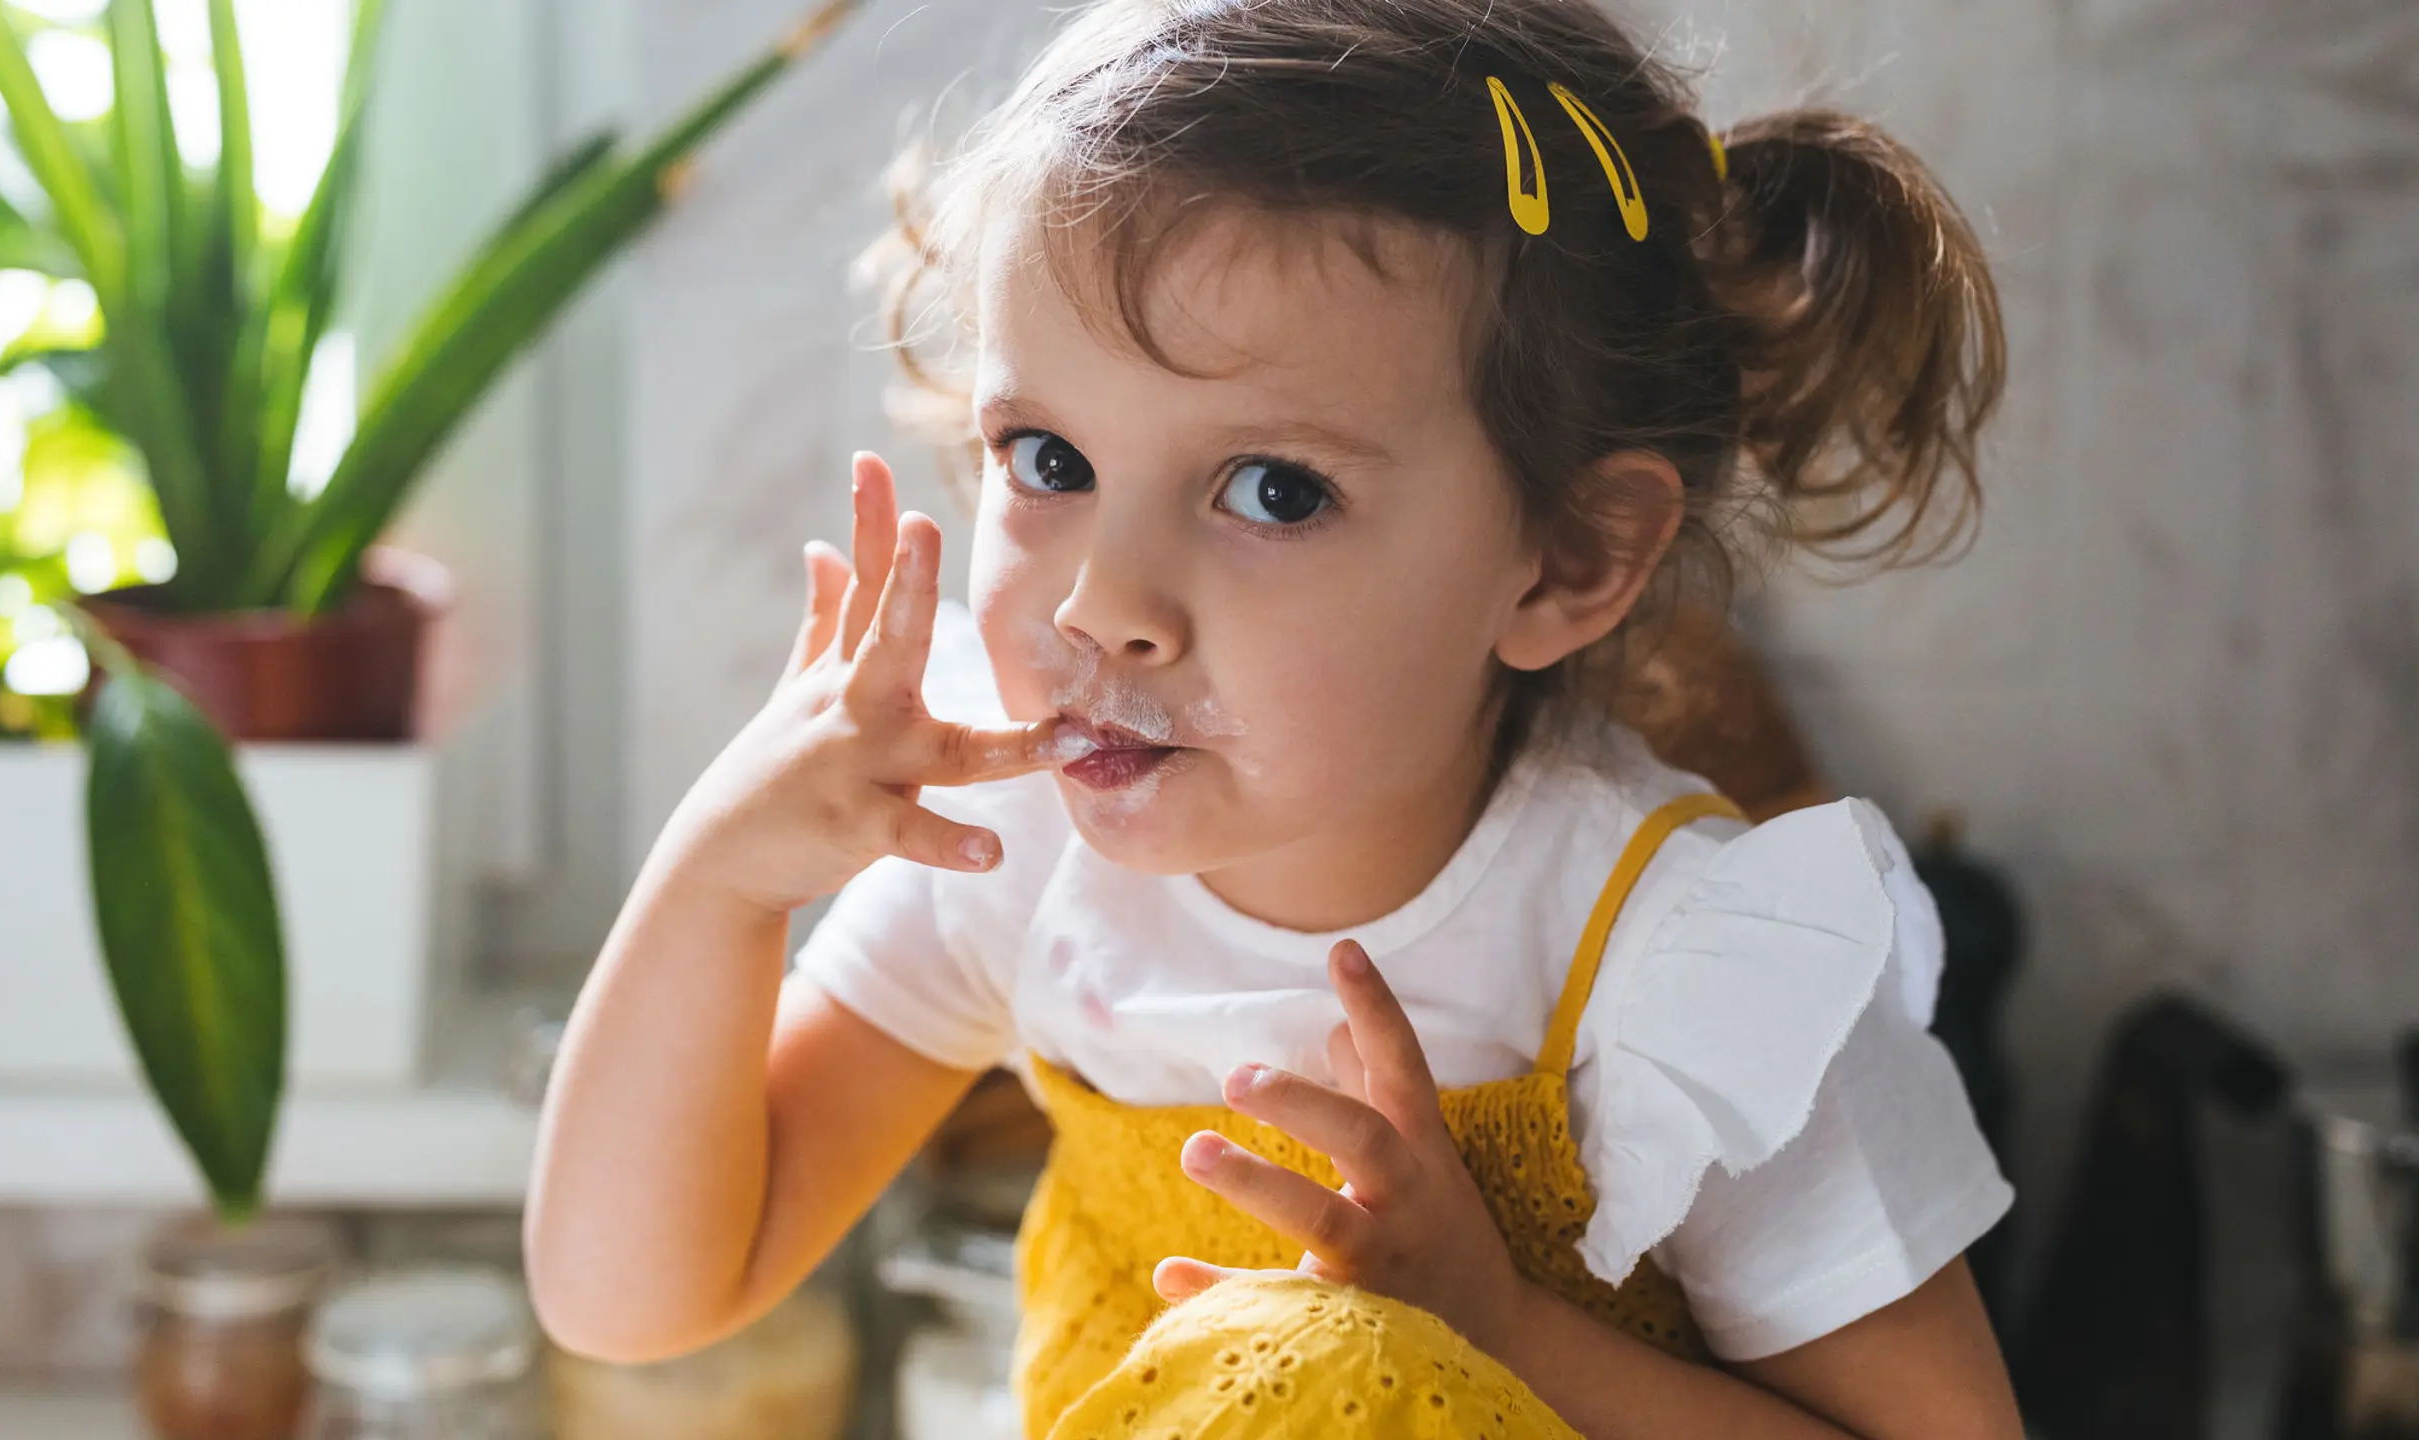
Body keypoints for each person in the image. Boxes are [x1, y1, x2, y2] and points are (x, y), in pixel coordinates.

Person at [527, 1, 2023, 1434]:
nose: (1108, 602)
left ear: (1568, 557)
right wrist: (717, 879)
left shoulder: (1680, 975)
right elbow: (635, 1298)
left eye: (1273, 491)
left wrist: (1504, 1335)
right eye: (1048, 457)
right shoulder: (1015, 856)